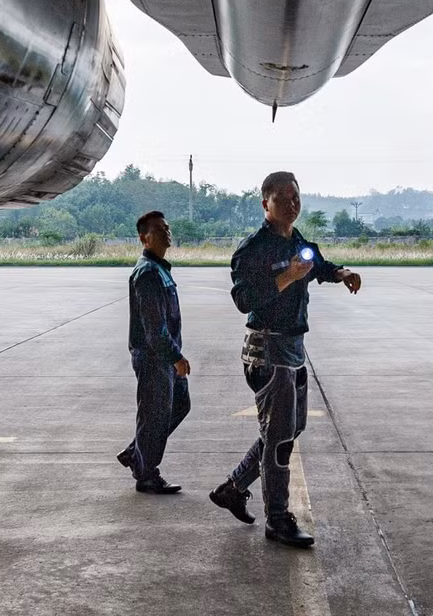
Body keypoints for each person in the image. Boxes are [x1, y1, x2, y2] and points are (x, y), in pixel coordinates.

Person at [209, 171, 362, 547]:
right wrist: (289, 277)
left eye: (296, 197)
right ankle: (278, 519)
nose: (292, 204)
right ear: (265, 204)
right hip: (268, 350)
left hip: (293, 349)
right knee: (279, 441)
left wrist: (340, 273)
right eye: (283, 198)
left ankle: (234, 487)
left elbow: (319, 266)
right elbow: (244, 299)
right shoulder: (253, 249)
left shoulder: (297, 241)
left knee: (288, 430)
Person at [117, 211, 191, 494]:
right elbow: (154, 328)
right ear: (143, 238)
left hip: (162, 356)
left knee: (179, 405)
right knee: (155, 415)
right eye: (159, 230)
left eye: (167, 227)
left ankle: (137, 453)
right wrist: (175, 357)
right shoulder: (148, 273)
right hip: (154, 357)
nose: (166, 232)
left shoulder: (159, 269)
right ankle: (147, 474)